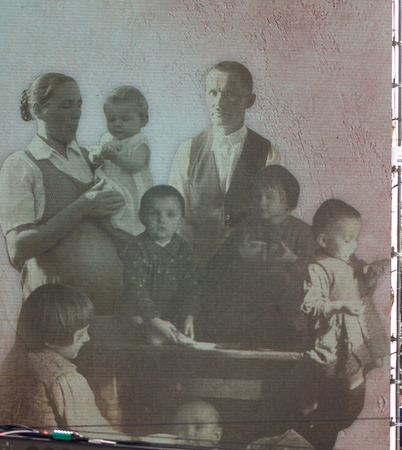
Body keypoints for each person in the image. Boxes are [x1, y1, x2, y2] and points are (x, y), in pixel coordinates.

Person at [0, 73, 127, 314]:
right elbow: (17, 250)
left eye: (79, 104)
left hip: (110, 309)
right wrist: (83, 206)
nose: (76, 112)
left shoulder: (94, 158)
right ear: (39, 110)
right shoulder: (21, 165)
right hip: (56, 316)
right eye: (66, 105)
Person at [168, 61, 283, 266]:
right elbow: (177, 216)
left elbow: (274, 216)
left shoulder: (268, 154)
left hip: (249, 269)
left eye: (230, 93)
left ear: (249, 100)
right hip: (197, 265)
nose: (218, 102)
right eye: (212, 93)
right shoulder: (187, 151)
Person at [201, 165, 316, 348]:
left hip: (287, 309)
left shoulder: (303, 232)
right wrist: (239, 256)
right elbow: (215, 268)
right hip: (248, 307)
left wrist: (293, 260)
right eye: (257, 196)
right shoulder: (246, 228)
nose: (261, 202)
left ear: (287, 202)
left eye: (269, 197)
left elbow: (318, 274)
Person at [301, 199, 388, 408]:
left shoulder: (351, 262)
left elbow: (362, 290)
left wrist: (371, 277)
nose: (355, 245)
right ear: (323, 240)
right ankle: (315, 407)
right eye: (348, 239)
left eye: (356, 239)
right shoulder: (318, 268)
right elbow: (310, 305)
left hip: (358, 331)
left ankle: (345, 405)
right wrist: (340, 306)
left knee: (356, 371)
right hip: (334, 334)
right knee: (328, 374)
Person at [0, 284, 119, 437]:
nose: (87, 338)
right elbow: (94, 434)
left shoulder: (15, 358)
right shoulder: (65, 377)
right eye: (80, 335)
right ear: (52, 340)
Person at [115, 185, 200, 344]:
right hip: (140, 312)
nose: (162, 220)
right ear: (142, 217)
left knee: (190, 335)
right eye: (154, 214)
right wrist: (154, 320)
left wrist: (189, 315)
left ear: (180, 220)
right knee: (152, 338)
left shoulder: (183, 249)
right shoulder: (136, 247)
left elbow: (192, 287)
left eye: (170, 214)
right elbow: (136, 289)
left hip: (171, 313)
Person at [89, 86, 152, 237]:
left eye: (125, 119)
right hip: (110, 184)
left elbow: (134, 165)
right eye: (111, 119)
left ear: (143, 120)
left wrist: (114, 157)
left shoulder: (139, 142)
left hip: (131, 189)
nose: (117, 124)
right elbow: (97, 158)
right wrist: (96, 158)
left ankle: (125, 234)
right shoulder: (107, 139)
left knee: (129, 213)